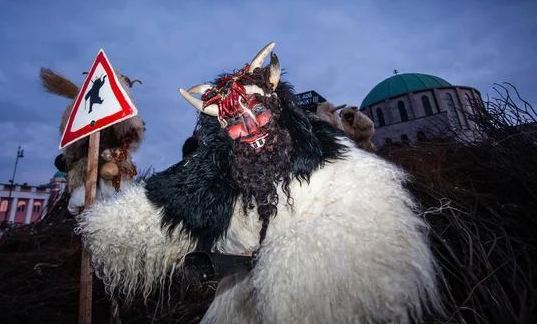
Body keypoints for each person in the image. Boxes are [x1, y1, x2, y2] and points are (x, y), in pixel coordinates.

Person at [76, 42, 443, 323]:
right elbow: (155, 211)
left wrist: (293, 271)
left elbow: (375, 221)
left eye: (258, 110)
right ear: (224, 134)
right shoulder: (218, 178)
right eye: (235, 120)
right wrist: (101, 223)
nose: (250, 126)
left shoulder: (331, 159)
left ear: (278, 110)